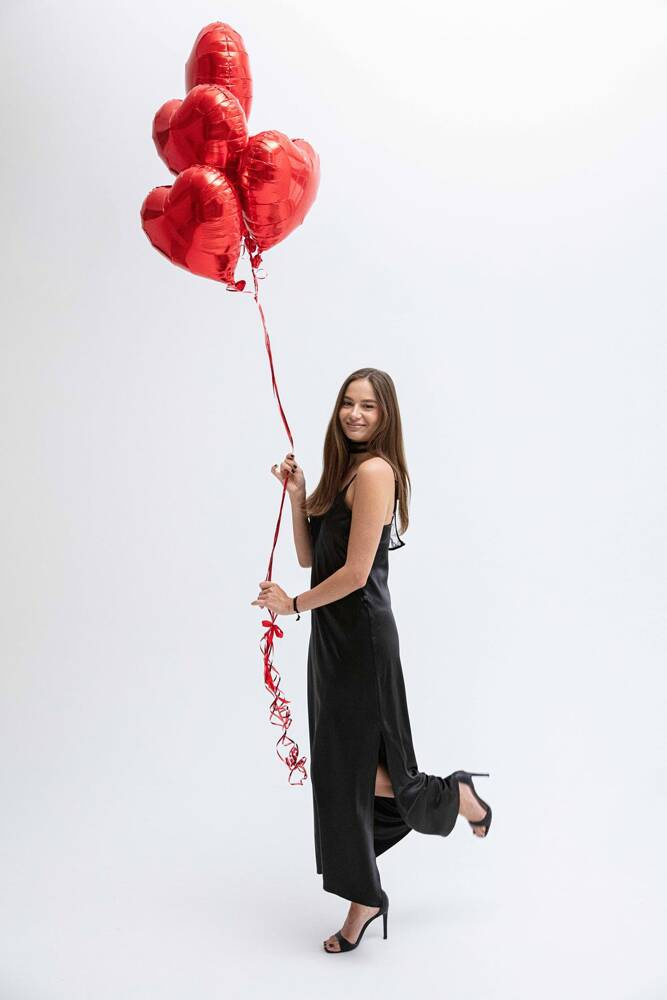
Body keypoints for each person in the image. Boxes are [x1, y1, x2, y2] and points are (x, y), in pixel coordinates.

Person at [251, 367, 492, 954]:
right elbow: (312, 555)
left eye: (368, 406)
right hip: (332, 641)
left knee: (372, 774)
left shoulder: (377, 472)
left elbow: (357, 575)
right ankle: (367, 892)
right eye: (347, 404)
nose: (355, 414)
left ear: (386, 416)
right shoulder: (343, 470)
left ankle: (454, 798)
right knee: (339, 772)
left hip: (362, 640)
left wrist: (293, 605)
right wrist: (299, 494)